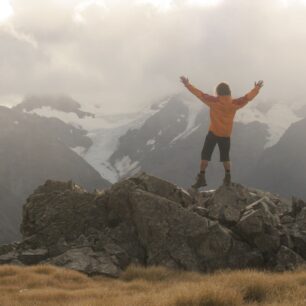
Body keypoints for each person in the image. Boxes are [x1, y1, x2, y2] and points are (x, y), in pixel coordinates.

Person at [180, 76, 264, 188]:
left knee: (205, 155)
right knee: (225, 157)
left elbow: (199, 94)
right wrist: (256, 88)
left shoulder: (213, 101)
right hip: (226, 135)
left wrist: (187, 84)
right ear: (229, 91)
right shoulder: (234, 103)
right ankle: (228, 178)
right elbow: (247, 98)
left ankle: (201, 178)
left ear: (218, 91)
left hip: (213, 133)